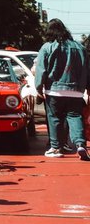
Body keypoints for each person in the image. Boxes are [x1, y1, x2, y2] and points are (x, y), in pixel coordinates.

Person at [35, 18, 89, 160]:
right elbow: (87, 70)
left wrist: (39, 88)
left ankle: (55, 147)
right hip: (76, 90)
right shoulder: (80, 48)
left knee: (54, 118)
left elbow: (41, 69)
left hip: (54, 89)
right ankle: (80, 144)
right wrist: (88, 88)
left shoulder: (47, 47)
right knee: (75, 116)